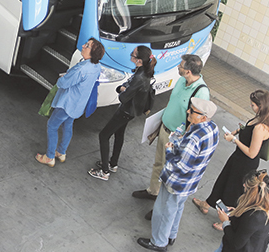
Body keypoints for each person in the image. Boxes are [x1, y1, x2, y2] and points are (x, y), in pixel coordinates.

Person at [137, 97, 219, 252]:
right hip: (190, 182)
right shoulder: (212, 128)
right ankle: (171, 235)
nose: (188, 111)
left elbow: (180, 166)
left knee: (163, 210)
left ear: (203, 117)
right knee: (177, 207)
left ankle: (159, 242)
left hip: (176, 181)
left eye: (192, 111)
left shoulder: (194, 138)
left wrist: (169, 150)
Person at [193, 89, 269, 230]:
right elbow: (248, 131)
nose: (251, 107)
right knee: (223, 181)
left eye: (253, 105)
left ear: (261, 106)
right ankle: (207, 204)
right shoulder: (259, 119)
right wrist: (237, 131)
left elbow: (252, 153)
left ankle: (227, 220)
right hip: (238, 159)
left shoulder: (261, 127)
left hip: (245, 164)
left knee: (233, 191)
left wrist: (234, 140)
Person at [133, 54, 210, 204]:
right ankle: (153, 191)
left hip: (177, 139)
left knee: (169, 172)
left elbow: (198, 122)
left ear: (188, 71)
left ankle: (160, 205)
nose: (178, 67)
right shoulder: (181, 80)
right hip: (164, 129)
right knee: (158, 163)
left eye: (180, 66)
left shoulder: (201, 93)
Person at [88, 46, 156, 181]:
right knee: (119, 134)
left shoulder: (139, 77)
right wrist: (125, 88)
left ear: (139, 60)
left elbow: (123, 98)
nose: (131, 54)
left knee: (104, 136)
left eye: (133, 53)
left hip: (125, 110)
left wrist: (122, 89)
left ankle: (104, 171)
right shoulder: (144, 72)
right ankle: (113, 163)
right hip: (131, 111)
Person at [36, 38, 104, 168]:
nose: (83, 46)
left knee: (52, 126)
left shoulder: (81, 70)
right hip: (78, 105)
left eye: (87, 45)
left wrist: (63, 77)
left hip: (66, 104)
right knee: (68, 125)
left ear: (93, 52)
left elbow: (63, 83)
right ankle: (61, 152)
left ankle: (49, 156)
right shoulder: (97, 66)